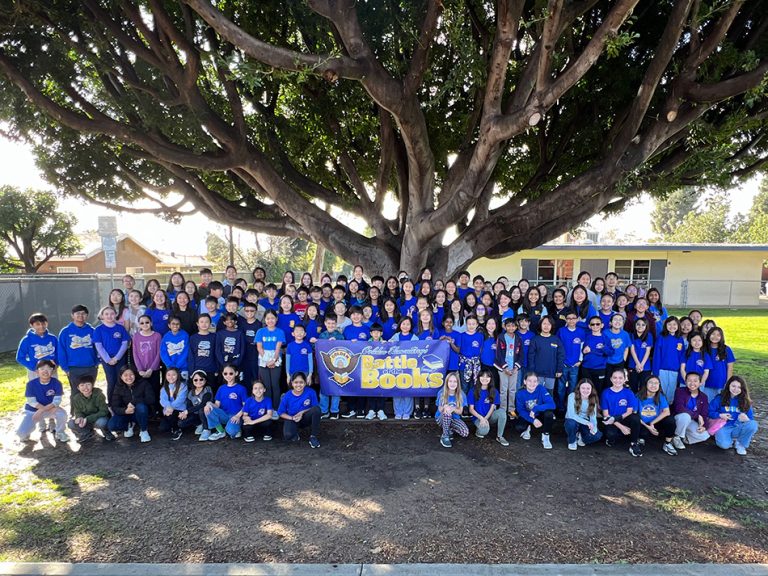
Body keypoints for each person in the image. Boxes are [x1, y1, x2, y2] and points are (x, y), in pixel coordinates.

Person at [16, 359, 69, 444]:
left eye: (48, 369)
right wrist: (40, 410)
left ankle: (60, 432)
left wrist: (41, 410)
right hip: (33, 411)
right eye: (42, 369)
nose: (45, 371)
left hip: (50, 409)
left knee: (62, 414)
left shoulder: (56, 383)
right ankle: (26, 433)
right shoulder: (31, 384)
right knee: (21, 434)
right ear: (37, 372)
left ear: (52, 371)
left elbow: (57, 401)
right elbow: (32, 401)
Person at [58, 304, 98, 410]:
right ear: (72, 315)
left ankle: (89, 412)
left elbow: (98, 348)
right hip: (74, 368)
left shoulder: (92, 330)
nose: (81, 315)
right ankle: (76, 413)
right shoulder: (65, 331)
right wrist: (65, 368)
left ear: (87, 315)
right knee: (76, 391)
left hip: (90, 367)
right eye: (78, 313)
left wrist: (96, 363)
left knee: (89, 390)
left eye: (83, 313)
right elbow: (61, 351)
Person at [709, 375, 758, 456]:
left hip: (738, 427)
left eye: (739, 387)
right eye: (733, 386)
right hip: (724, 427)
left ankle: (740, 444)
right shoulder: (720, 398)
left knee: (753, 424)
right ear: (728, 385)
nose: (736, 389)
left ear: (742, 389)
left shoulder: (746, 401)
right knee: (724, 445)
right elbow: (709, 412)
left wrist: (746, 419)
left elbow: (751, 421)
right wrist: (720, 415)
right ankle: (731, 439)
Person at [93, 305, 131, 404]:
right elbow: (99, 346)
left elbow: (124, 344)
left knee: (122, 381)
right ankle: (111, 404)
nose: (109, 316)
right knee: (111, 381)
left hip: (120, 359)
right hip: (107, 360)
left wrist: (116, 358)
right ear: (102, 316)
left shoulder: (120, 328)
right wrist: (108, 359)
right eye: (106, 314)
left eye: (112, 314)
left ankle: (123, 403)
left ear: (115, 315)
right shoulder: (99, 329)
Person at [600, 368, 642, 457]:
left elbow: (629, 411)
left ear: (624, 379)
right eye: (615, 378)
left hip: (623, 417)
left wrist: (619, 420)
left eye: (620, 378)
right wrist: (621, 427)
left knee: (635, 418)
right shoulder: (605, 393)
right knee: (611, 435)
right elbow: (605, 414)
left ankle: (634, 443)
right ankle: (613, 438)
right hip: (611, 419)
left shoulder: (628, 392)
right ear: (611, 379)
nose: (617, 380)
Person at [108, 366, 153, 443]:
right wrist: (125, 411)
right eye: (125, 375)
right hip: (127, 413)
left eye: (131, 374)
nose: (129, 377)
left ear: (135, 374)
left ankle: (144, 430)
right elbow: (115, 406)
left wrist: (134, 402)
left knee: (141, 407)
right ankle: (130, 425)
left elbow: (151, 399)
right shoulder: (118, 386)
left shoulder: (143, 383)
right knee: (112, 425)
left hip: (141, 412)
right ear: (121, 377)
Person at [513, 371, 556, 449]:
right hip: (528, 415)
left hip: (539, 414)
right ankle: (528, 427)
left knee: (549, 414)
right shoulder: (520, 393)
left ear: (538, 382)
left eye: (535, 381)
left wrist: (536, 408)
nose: (532, 383)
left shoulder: (541, 389)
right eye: (529, 381)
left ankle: (545, 436)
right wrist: (533, 420)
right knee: (519, 427)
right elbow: (520, 410)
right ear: (525, 381)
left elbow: (552, 405)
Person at [255, 310, 286, 417]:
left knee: (275, 385)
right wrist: (266, 360)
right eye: (268, 318)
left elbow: (278, 348)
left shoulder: (280, 332)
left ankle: (276, 408)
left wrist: (273, 360)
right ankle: (268, 409)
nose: (270, 320)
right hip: (263, 359)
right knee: (266, 385)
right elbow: (259, 347)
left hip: (275, 359)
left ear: (276, 319)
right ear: (265, 319)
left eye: (272, 318)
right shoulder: (260, 331)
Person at [636, 376, 678, 456]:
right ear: (646, 384)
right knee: (643, 433)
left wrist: (652, 423)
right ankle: (639, 439)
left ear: (659, 385)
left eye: (656, 383)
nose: (653, 385)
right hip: (643, 424)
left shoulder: (661, 396)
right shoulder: (638, 396)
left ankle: (667, 443)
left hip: (655, 423)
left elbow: (667, 412)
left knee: (670, 420)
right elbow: (634, 415)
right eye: (651, 383)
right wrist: (648, 426)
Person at [278, 371, 321, 448]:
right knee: (288, 436)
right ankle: (295, 432)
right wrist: (292, 418)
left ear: (305, 383)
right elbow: (280, 412)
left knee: (317, 410)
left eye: (301, 382)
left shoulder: (311, 392)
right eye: (296, 382)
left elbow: (315, 407)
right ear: (292, 383)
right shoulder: (287, 395)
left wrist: (302, 412)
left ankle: (313, 436)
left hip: (305, 417)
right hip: (292, 418)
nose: (298, 385)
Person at [205, 364, 247, 441]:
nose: (228, 376)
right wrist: (209, 404)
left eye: (231, 373)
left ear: (236, 373)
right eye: (225, 373)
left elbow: (246, 406)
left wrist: (238, 416)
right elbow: (217, 405)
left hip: (235, 416)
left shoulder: (241, 388)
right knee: (208, 409)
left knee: (231, 432)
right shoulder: (221, 388)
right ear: (222, 374)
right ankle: (221, 431)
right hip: (224, 414)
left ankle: (236, 428)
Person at [468, 369, 508, 446]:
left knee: (502, 412)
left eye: (487, 377)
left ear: (490, 379)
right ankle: (478, 431)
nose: (485, 379)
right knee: (483, 431)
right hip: (478, 418)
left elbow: (492, 407)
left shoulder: (494, 391)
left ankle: (500, 436)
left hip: (489, 416)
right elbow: (471, 409)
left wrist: (485, 419)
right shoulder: (473, 390)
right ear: (479, 377)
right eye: (482, 376)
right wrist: (481, 418)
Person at [69, 374, 113, 443]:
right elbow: (78, 411)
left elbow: (104, 411)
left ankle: (106, 431)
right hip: (86, 420)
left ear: (92, 385)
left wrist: (88, 419)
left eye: (88, 384)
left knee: (102, 422)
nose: (85, 387)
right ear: (78, 387)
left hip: (98, 418)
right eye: (82, 385)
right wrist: (80, 418)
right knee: (71, 423)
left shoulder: (99, 395)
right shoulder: (76, 398)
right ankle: (87, 432)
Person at [132, 314, 162, 413]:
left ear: (151, 323)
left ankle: (156, 411)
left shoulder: (157, 336)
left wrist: (151, 369)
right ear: (139, 325)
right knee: (142, 391)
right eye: (142, 323)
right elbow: (135, 353)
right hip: (141, 370)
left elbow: (159, 353)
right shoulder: (136, 336)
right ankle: (145, 412)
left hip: (154, 369)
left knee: (154, 390)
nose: (145, 324)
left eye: (147, 322)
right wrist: (140, 369)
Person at [671, 371, 710, 449]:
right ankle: (677, 437)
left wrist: (704, 426)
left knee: (705, 435)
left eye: (695, 381)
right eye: (689, 380)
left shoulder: (703, 396)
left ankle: (684, 438)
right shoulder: (680, 391)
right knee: (686, 416)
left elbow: (704, 414)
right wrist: (697, 416)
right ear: (685, 382)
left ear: (700, 383)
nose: (692, 383)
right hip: (679, 418)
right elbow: (679, 408)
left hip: (692, 420)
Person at [527, 316, 564, 397]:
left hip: (551, 373)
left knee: (549, 395)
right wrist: (532, 372)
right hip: (537, 374)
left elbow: (560, 355)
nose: (546, 326)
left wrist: (559, 370)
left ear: (552, 326)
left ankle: (548, 406)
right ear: (540, 325)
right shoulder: (535, 339)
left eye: (549, 324)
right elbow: (531, 356)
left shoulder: (556, 340)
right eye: (544, 324)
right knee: (536, 394)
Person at [389, 316, 418, 419]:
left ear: (411, 326)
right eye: (403, 324)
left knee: (408, 389)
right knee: (396, 389)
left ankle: (407, 412)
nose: (405, 326)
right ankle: (398, 411)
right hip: (397, 366)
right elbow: (388, 348)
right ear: (400, 325)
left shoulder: (414, 338)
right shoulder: (395, 336)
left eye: (408, 324)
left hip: (409, 367)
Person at [652, 316, 685, 404]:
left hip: (675, 370)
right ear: (665, 325)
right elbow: (657, 355)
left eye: (674, 324)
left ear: (678, 326)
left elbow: (681, 356)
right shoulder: (661, 337)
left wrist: (680, 371)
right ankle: (660, 407)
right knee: (661, 391)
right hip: (662, 370)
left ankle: (669, 408)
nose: (672, 326)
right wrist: (656, 371)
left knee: (671, 392)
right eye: (669, 324)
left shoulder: (680, 339)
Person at [16, 313, 58, 380]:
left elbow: (59, 354)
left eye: (43, 323)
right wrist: (33, 367)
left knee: (53, 386)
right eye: (38, 324)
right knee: (36, 386)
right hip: (35, 372)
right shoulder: (26, 340)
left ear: (47, 323)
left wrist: (56, 365)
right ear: (31, 325)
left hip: (51, 370)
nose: (41, 326)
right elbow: (20, 358)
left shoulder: (53, 338)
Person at [317, 313, 344, 419]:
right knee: (324, 388)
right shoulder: (322, 335)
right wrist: (325, 343)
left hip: (337, 366)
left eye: (333, 323)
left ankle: (334, 410)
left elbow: (345, 348)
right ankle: (324, 410)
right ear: (325, 323)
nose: (331, 325)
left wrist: (336, 342)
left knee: (336, 388)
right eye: (329, 323)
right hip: (324, 366)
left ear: (336, 324)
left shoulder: (340, 335)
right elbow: (318, 348)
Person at [564, 379, 602, 450]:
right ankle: (572, 440)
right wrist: (587, 423)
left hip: (584, 422)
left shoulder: (593, 398)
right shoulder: (572, 396)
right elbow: (571, 415)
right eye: (583, 388)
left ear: (591, 389)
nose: (585, 390)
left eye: (588, 388)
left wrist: (594, 428)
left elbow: (593, 417)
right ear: (579, 388)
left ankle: (581, 437)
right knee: (571, 424)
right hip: (573, 420)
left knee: (597, 436)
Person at [494, 317, 521, 417]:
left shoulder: (518, 338)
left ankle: (511, 409)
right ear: (505, 327)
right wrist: (505, 368)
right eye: (508, 326)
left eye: (513, 326)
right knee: (503, 389)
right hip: (503, 368)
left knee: (512, 389)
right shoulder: (501, 337)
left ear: (516, 327)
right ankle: (502, 408)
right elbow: (498, 354)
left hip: (514, 368)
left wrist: (516, 367)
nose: (511, 328)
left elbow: (521, 354)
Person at [436, 372, 469, 449]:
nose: (452, 384)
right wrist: (445, 407)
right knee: (447, 412)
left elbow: (460, 412)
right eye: (450, 381)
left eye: (455, 381)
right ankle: (445, 436)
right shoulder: (442, 393)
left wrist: (453, 408)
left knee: (465, 432)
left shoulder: (461, 394)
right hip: (441, 418)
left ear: (458, 383)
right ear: (447, 382)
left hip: (454, 418)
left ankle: (448, 429)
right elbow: (439, 409)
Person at [704, 327, 736, 402]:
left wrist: (728, 382)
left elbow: (730, 367)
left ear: (721, 337)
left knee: (720, 403)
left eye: (718, 335)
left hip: (721, 383)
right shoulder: (704, 349)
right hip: (706, 383)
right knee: (707, 403)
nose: (715, 337)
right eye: (713, 334)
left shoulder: (726, 349)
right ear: (709, 335)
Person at [580, 316, 610, 392]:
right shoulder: (586, 336)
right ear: (589, 326)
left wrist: (603, 348)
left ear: (602, 325)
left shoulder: (605, 338)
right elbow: (579, 350)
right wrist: (583, 351)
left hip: (600, 368)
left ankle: (597, 400)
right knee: (586, 389)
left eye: (597, 324)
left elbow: (610, 352)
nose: (595, 326)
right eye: (592, 324)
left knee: (598, 390)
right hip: (586, 367)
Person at [188, 314, 218, 386]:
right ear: (197, 324)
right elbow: (191, 355)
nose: (204, 324)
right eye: (201, 322)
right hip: (197, 369)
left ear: (210, 323)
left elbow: (217, 354)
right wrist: (191, 371)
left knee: (210, 390)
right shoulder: (193, 338)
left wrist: (217, 369)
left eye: (206, 322)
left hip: (211, 369)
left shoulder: (214, 337)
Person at [158, 367, 188, 440]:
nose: (171, 377)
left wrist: (171, 407)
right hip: (168, 410)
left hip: (180, 409)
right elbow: (163, 400)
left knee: (173, 418)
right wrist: (168, 407)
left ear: (178, 375)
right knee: (162, 428)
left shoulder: (183, 386)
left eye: (174, 375)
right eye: (168, 375)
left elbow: (180, 400)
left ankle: (177, 429)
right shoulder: (164, 387)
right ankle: (172, 425)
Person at [627, 317, 653, 393]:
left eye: (643, 325)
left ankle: (642, 400)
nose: (640, 326)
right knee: (633, 386)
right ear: (635, 325)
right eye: (638, 324)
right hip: (633, 364)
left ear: (646, 326)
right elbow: (632, 350)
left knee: (643, 387)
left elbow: (648, 351)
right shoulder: (631, 335)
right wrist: (638, 364)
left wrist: (641, 365)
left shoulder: (649, 336)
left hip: (645, 365)